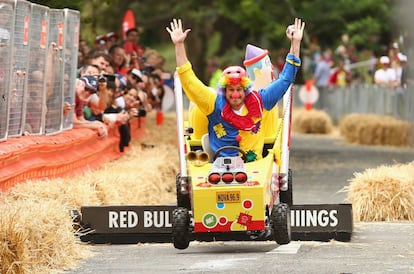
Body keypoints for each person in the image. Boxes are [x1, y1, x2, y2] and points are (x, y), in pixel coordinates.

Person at [166, 18, 304, 161]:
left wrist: (296, 43)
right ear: (224, 91)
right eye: (231, 90)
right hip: (220, 166)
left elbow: (285, 79)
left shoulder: (260, 100)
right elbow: (190, 81)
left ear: (245, 89)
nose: (235, 95)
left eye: (239, 89)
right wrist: (179, 45)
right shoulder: (213, 103)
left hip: (254, 166)